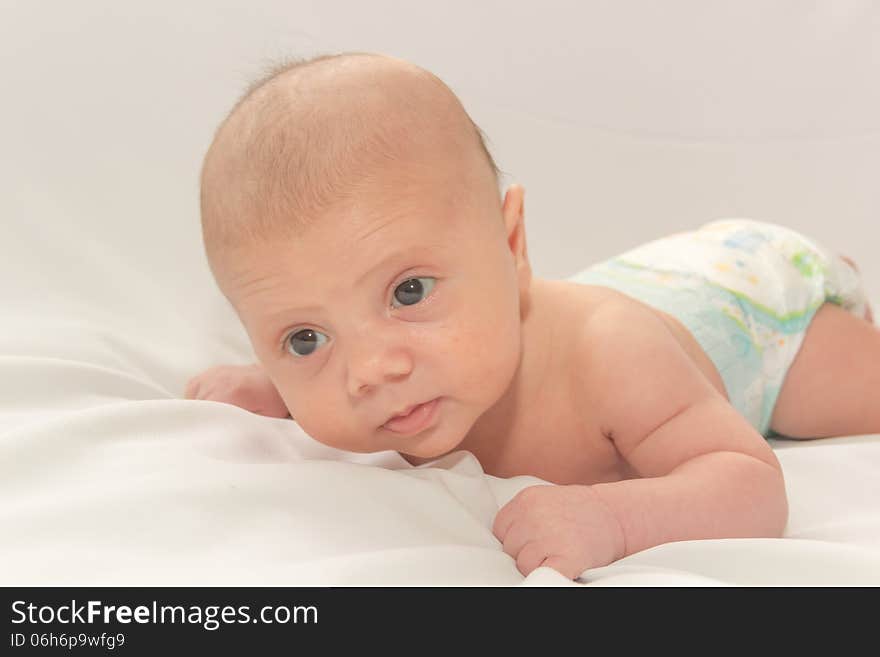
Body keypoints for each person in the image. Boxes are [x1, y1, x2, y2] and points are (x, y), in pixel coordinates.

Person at [186, 51, 879, 580]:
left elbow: (750, 482)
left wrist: (611, 519)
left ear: (511, 244)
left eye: (407, 292)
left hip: (750, 310)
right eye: (306, 338)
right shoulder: (417, 364)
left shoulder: (610, 357)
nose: (369, 370)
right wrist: (274, 385)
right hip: (643, 282)